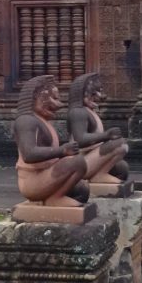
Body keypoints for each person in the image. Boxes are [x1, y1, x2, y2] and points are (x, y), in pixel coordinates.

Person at [14, 75, 90, 205]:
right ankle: (55, 198)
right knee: (78, 162)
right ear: (36, 97)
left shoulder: (41, 121)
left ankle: (55, 195)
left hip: (45, 175)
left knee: (83, 191)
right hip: (33, 181)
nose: (58, 105)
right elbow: (29, 154)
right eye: (53, 99)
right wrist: (62, 151)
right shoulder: (26, 121)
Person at [66, 69, 130, 191]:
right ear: (82, 93)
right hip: (80, 161)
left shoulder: (90, 112)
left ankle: (100, 174)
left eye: (100, 92)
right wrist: (106, 135)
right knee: (120, 145)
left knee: (122, 169)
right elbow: (80, 140)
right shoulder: (78, 112)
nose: (100, 97)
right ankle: (98, 175)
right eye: (94, 93)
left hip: (91, 158)